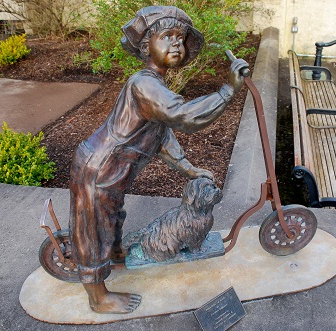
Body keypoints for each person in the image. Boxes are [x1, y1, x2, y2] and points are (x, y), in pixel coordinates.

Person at [68, 5, 248, 314]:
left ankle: (115, 252)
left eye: (180, 38)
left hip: (111, 169)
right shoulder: (144, 85)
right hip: (98, 168)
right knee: (94, 228)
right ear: (145, 44)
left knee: (111, 217)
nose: (177, 44)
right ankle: (98, 297)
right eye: (167, 36)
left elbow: (161, 135)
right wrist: (227, 91)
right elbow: (181, 116)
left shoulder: (155, 84)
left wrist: (189, 169)